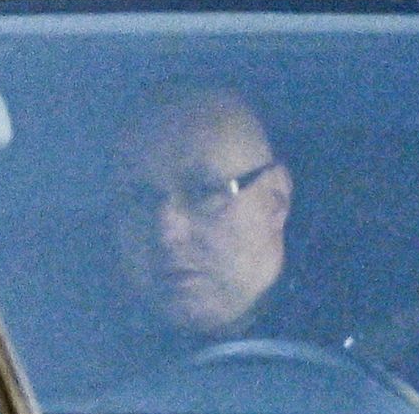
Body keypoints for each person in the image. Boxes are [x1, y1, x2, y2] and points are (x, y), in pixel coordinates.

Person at [108, 82, 300, 352]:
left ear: (276, 200)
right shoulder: (54, 370)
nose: (167, 234)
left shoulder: (366, 362)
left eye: (205, 193)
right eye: (140, 200)